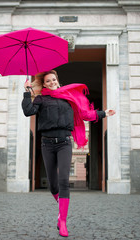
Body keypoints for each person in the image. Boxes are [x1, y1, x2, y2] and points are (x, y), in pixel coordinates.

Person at [22, 70, 115, 237]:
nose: (51, 82)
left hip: (64, 142)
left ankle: (63, 222)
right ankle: (61, 210)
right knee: (53, 186)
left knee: (64, 180)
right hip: (47, 144)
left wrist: (103, 114)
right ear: (44, 84)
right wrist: (27, 92)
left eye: (53, 79)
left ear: (58, 80)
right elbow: (28, 111)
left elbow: (85, 114)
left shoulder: (68, 96)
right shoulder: (41, 99)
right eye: (48, 81)